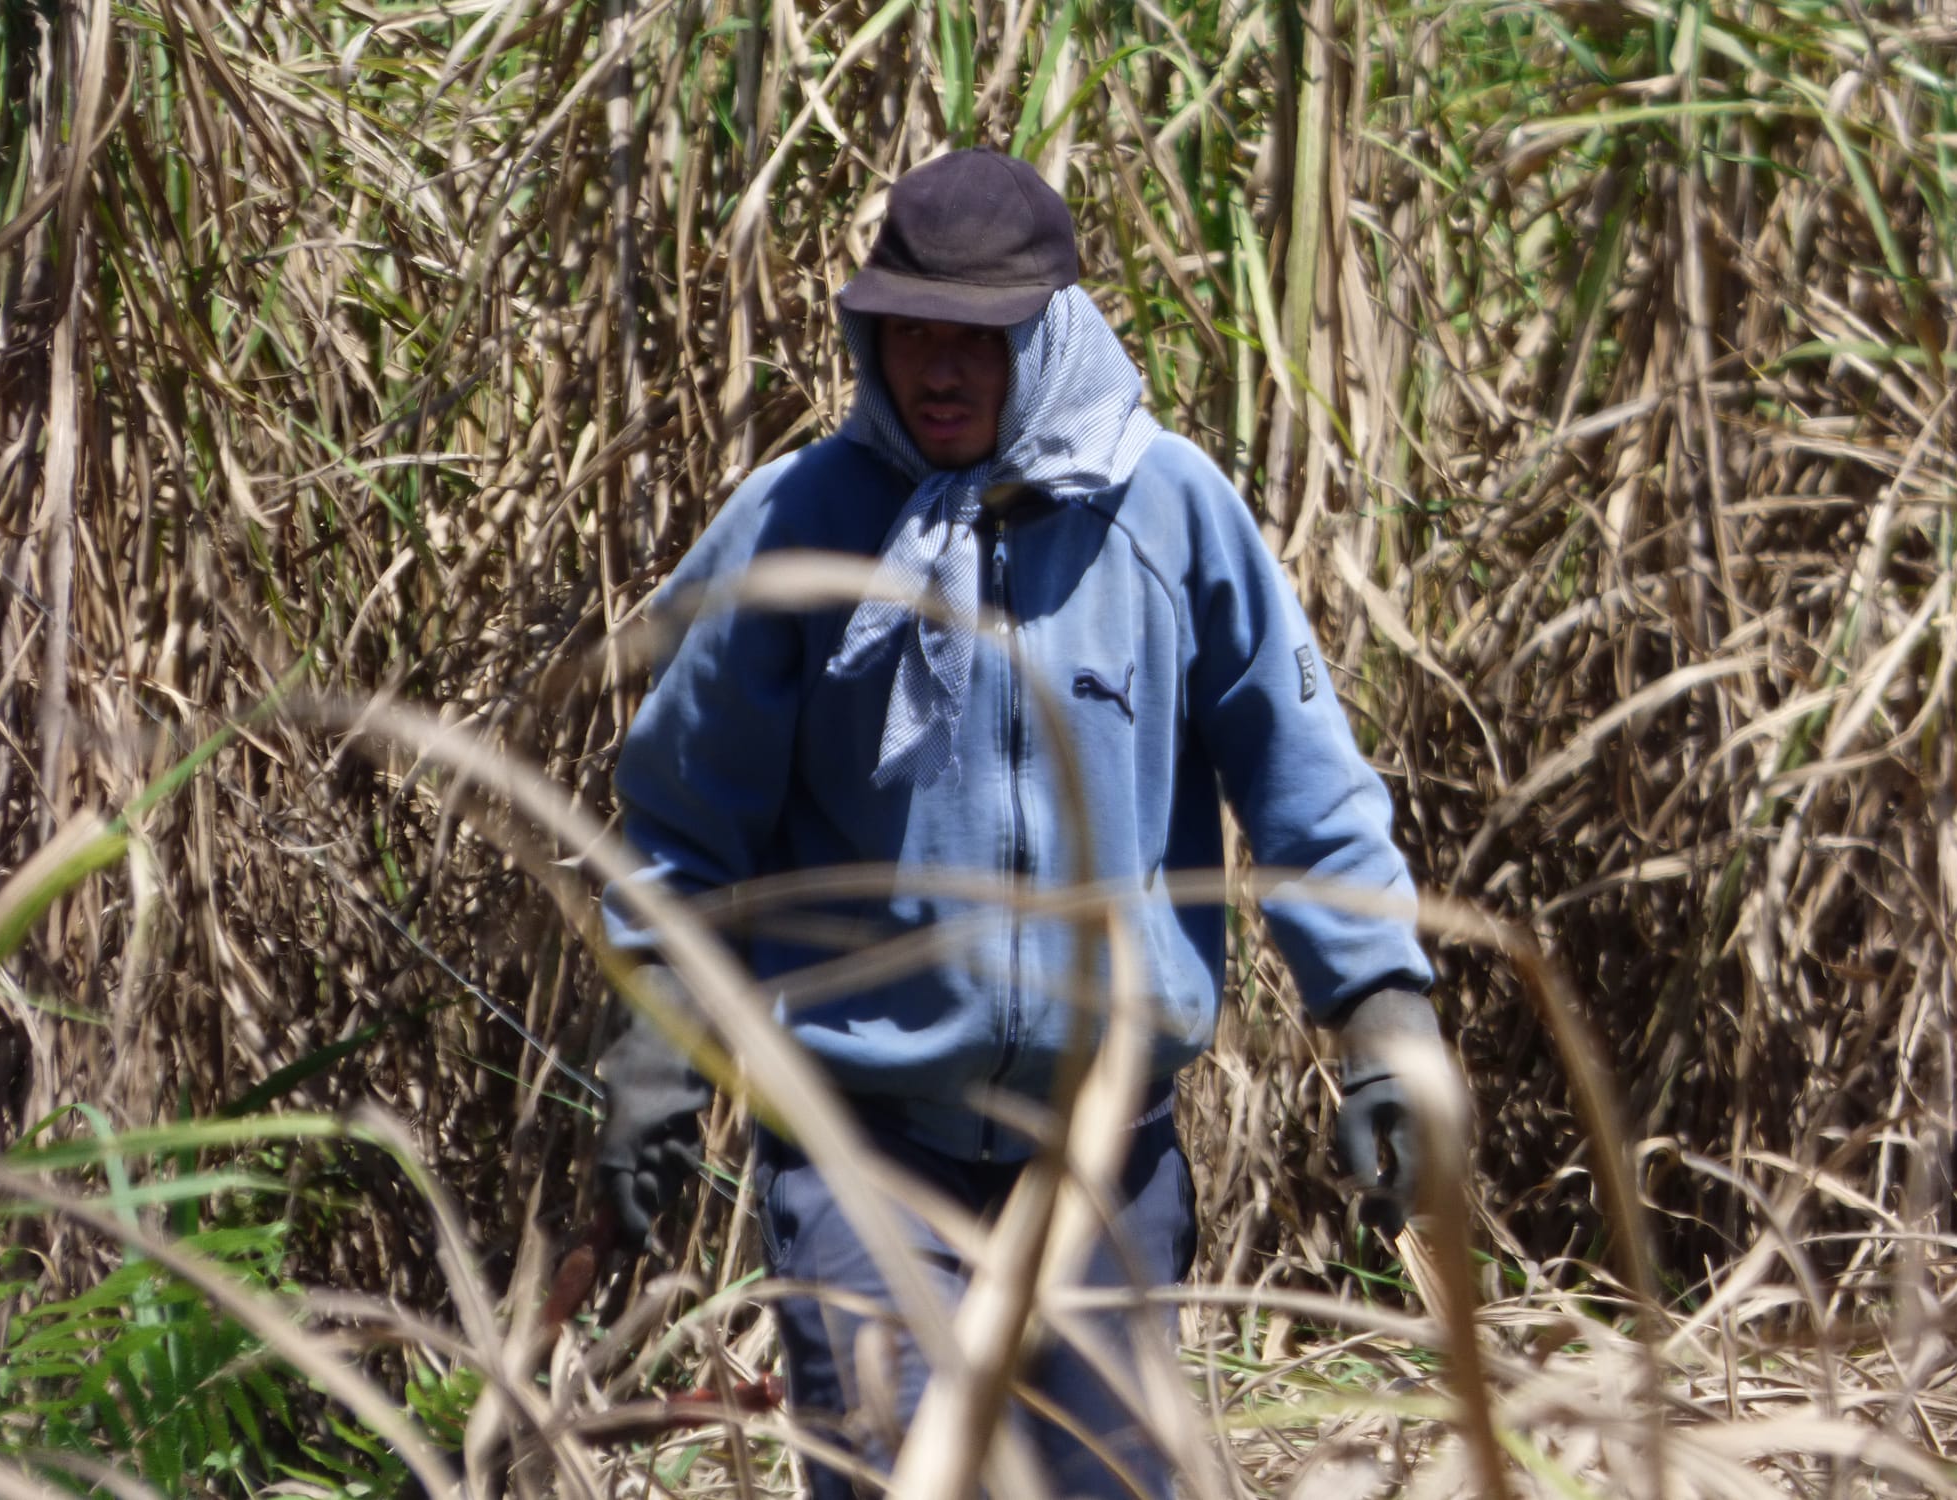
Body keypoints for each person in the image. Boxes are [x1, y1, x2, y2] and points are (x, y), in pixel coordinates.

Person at [595, 148, 1441, 1500]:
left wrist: (1384, 1024)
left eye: (977, 339)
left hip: (1105, 1154)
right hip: (862, 1138)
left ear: (1047, 331)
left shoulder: (1168, 514)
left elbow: (1306, 787)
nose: (938, 369)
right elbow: (688, 825)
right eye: (910, 332)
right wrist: (655, 1043)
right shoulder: (801, 525)